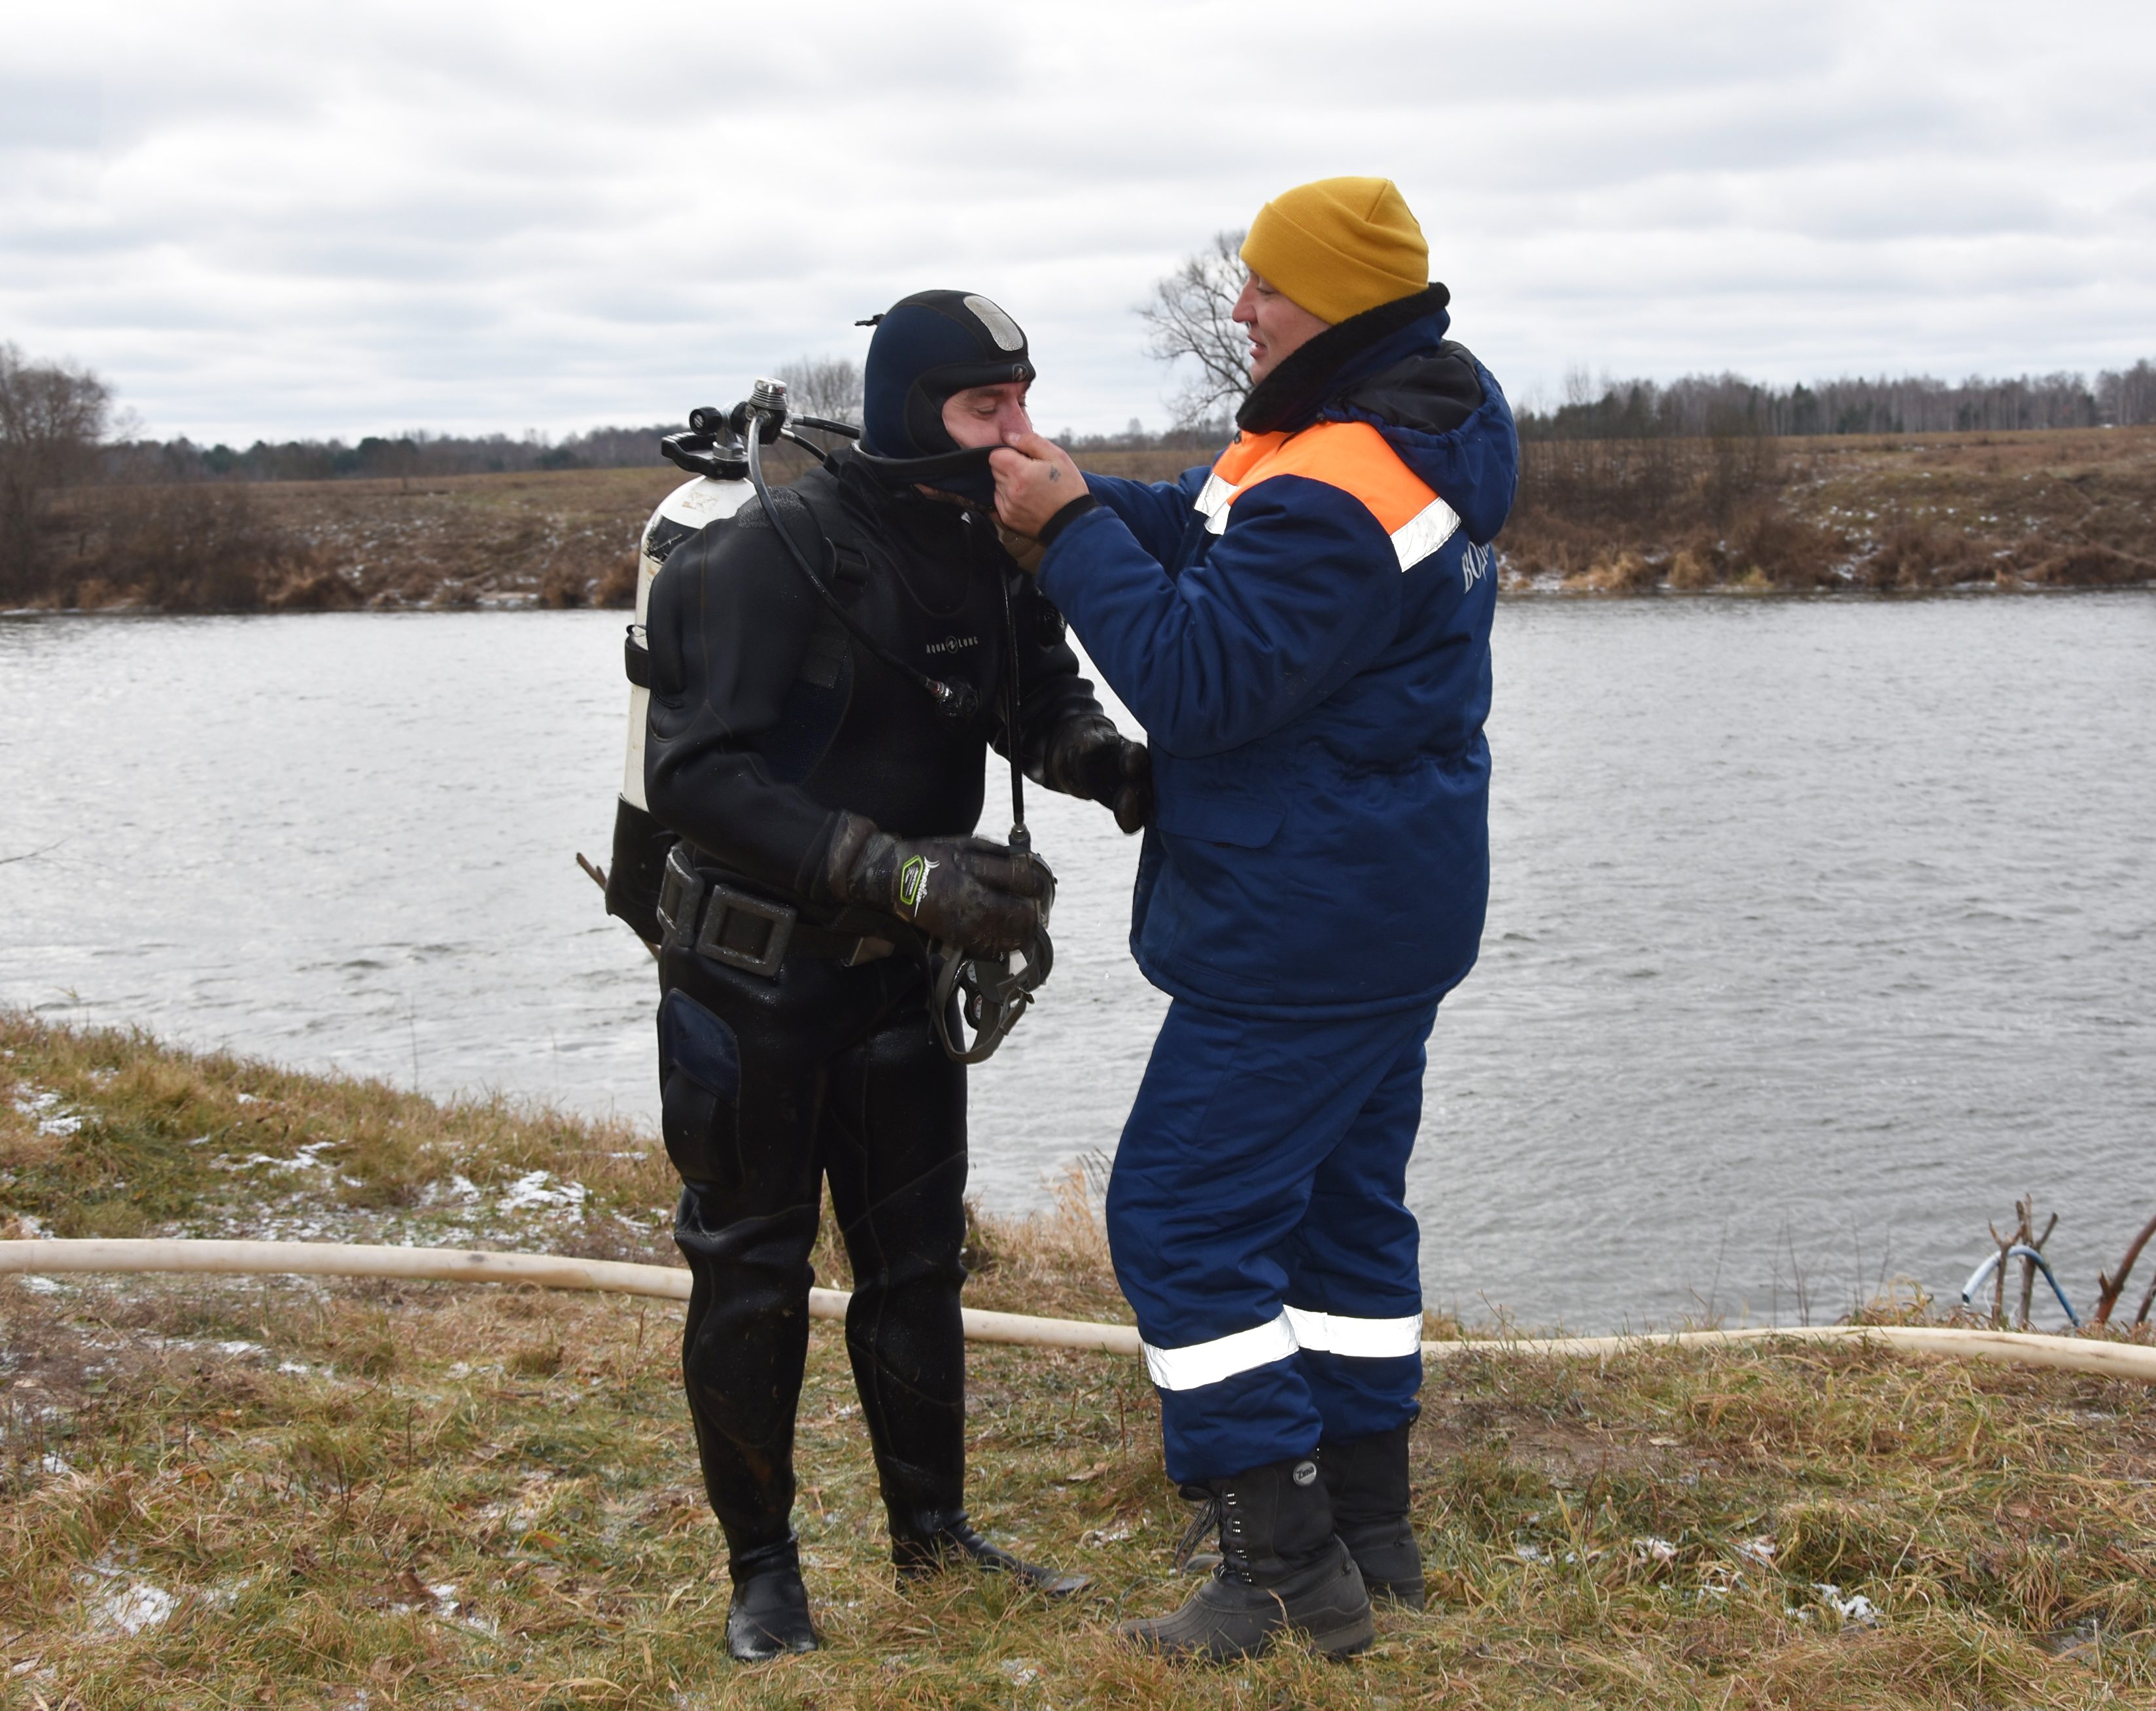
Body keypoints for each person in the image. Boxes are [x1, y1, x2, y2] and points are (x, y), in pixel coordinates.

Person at [990, 178, 1518, 1660]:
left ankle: (1282, 1572)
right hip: (1388, 894)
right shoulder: (1404, 425)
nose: (1239, 311)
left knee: (1179, 1217)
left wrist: (1075, 543)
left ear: (1333, 303)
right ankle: (1368, 1522)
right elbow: (1226, 533)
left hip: (1304, 916)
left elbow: (1203, 679)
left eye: (1263, 289)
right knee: (1344, 1212)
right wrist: (1087, 504)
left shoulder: (1340, 473)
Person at [640, 290, 1150, 1663]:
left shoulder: (987, 545)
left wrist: (1106, 767)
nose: (1019, 432)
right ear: (914, 407)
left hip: (900, 985)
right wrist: (894, 870)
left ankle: (933, 1537)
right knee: (748, 1272)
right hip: (749, 985)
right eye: (989, 406)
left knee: (915, 1267)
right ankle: (763, 1575)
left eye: (1026, 401)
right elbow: (693, 777)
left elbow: (1031, 696)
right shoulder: (775, 554)